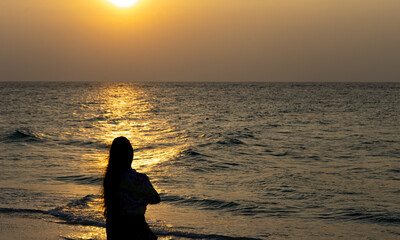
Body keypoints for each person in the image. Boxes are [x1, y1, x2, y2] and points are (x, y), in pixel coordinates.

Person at [103, 136, 161, 240]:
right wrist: (140, 199)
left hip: (114, 226)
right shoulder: (139, 179)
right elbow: (156, 199)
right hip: (136, 227)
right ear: (130, 155)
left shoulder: (110, 179)